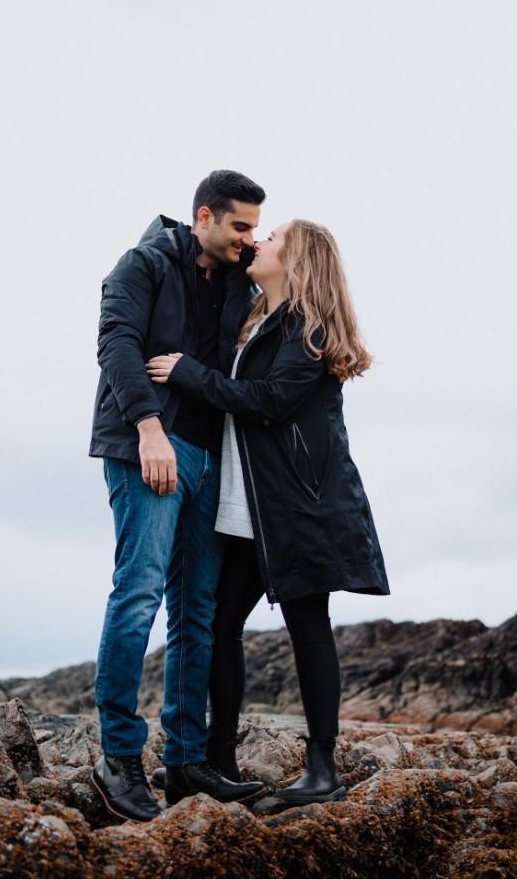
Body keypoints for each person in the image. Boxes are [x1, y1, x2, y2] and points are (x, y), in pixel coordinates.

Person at [147, 219, 390, 805]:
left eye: (272, 237)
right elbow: (203, 258)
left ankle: (322, 768)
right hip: (251, 502)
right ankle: (218, 759)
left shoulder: (306, 326)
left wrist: (188, 372)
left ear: (298, 258)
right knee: (220, 624)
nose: (258, 242)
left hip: (298, 506)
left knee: (308, 625)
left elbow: (270, 402)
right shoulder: (257, 319)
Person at [89, 170, 267, 822]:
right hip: (148, 450)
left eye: (254, 228)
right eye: (239, 226)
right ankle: (117, 757)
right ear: (204, 217)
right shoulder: (143, 263)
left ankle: (186, 763)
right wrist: (147, 428)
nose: (249, 238)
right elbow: (116, 344)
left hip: (208, 457)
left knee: (195, 610)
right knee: (137, 592)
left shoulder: (239, 282)